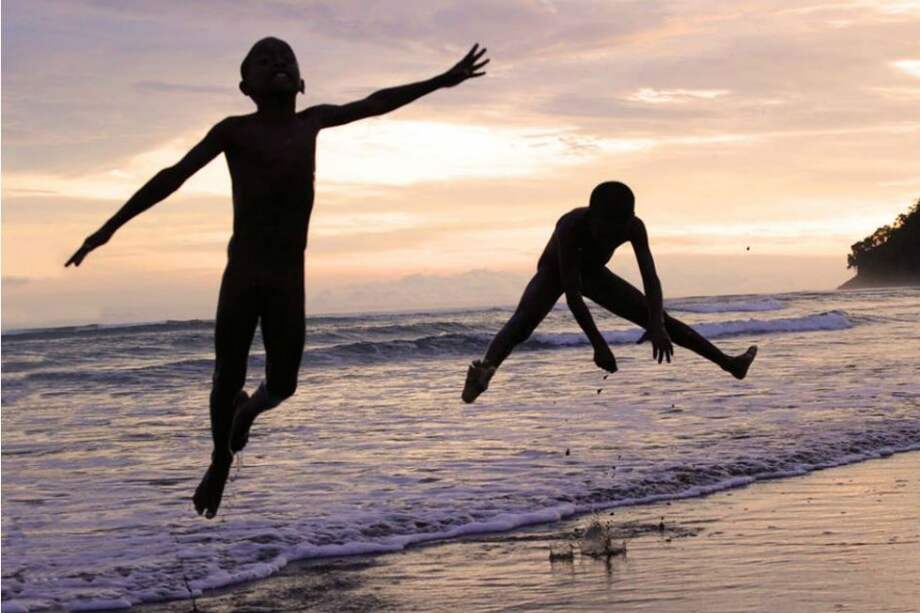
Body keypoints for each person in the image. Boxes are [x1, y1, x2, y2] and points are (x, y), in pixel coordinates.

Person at [66, 37, 489, 518]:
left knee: (284, 385)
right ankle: (219, 463)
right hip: (243, 273)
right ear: (245, 86)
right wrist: (108, 228)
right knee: (227, 373)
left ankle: (248, 412)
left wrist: (442, 79)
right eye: (264, 62)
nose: (278, 64)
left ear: (302, 83)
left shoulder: (312, 122)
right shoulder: (233, 131)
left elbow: (376, 103)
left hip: (289, 278)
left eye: (286, 59)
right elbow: (172, 175)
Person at [462, 181, 757, 403]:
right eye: (606, 227)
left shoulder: (633, 227)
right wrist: (598, 344)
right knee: (523, 323)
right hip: (557, 272)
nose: (612, 234)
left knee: (663, 321)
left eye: (620, 227)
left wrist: (655, 324)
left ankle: (731, 364)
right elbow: (572, 294)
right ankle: (485, 371)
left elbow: (650, 279)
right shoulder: (571, 226)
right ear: (592, 216)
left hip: (595, 273)